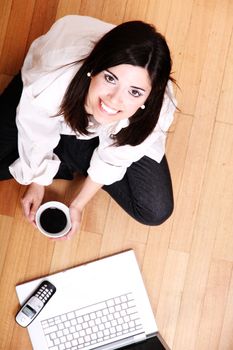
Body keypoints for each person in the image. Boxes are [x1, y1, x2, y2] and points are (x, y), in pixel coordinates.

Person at [0, 15, 177, 240]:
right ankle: (64, 155)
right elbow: (36, 129)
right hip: (46, 99)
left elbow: (114, 159)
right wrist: (38, 181)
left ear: (148, 97)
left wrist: (78, 205)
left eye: (134, 92)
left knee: (155, 210)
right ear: (95, 68)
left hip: (94, 130)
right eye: (111, 79)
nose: (114, 100)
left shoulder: (157, 110)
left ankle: (63, 154)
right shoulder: (55, 77)